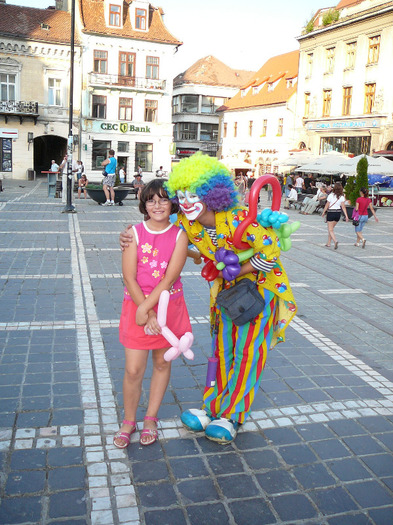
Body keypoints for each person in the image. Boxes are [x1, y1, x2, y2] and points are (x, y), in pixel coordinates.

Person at [120, 153, 297, 444]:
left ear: (212, 194)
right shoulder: (189, 224)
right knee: (222, 350)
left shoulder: (239, 217)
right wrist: (125, 238)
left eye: (195, 194)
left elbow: (271, 250)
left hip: (260, 292)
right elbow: (162, 233)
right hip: (225, 295)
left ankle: (232, 414)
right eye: (183, 195)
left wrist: (237, 269)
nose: (187, 201)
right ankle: (212, 407)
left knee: (247, 353)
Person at [114, 180, 190, 449]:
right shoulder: (133, 233)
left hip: (168, 307)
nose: (157, 205)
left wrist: (148, 311)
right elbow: (129, 277)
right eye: (151, 200)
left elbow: (169, 279)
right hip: (136, 305)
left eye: (163, 199)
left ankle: (150, 418)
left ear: (172, 204)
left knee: (161, 364)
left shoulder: (180, 235)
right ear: (144, 204)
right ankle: (129, 420)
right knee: (133, 369)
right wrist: (144, 311)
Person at [321, 181, 349, 249]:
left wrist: (323, 212)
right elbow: (343, 207)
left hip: (331, 212)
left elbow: (327, 205)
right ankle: (328, 243)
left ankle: (335, 241)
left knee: (330, 230)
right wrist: (346, 216)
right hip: (338, 213)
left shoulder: (331, 195)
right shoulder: (341, 197)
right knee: (331, 229)